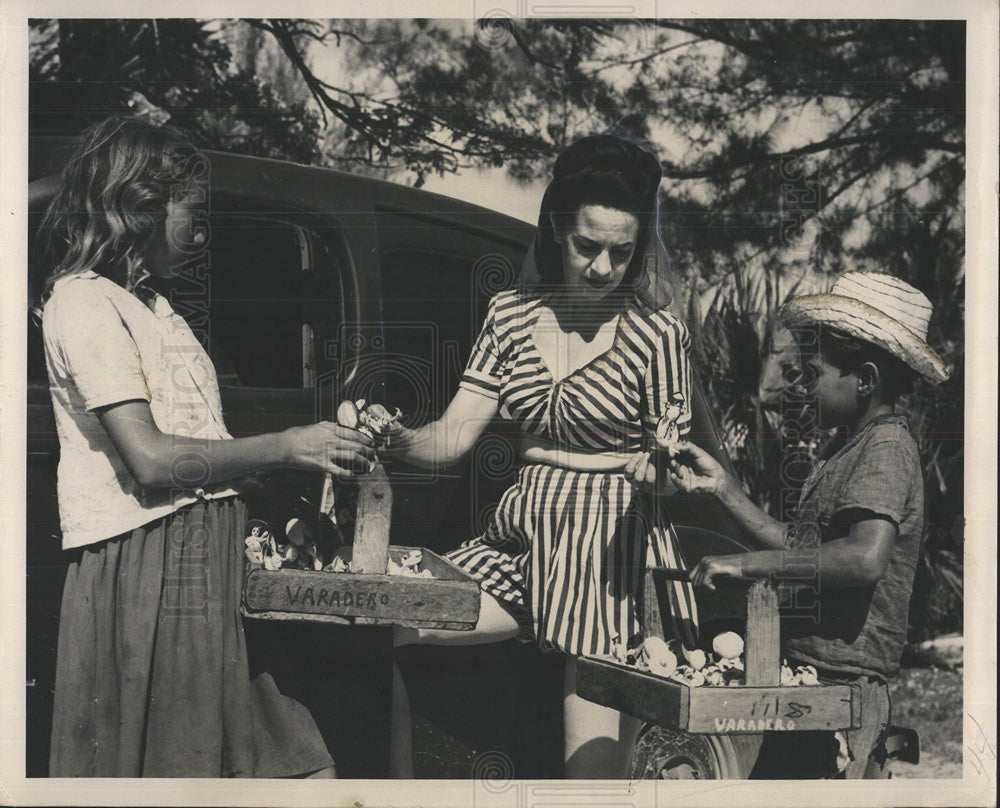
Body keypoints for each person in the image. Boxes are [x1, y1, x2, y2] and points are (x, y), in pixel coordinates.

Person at [36, 116, 375, 777]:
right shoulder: (81, 304)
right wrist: (286, 445)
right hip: (151, 572)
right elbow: (153, 460)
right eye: (194, 212)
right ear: (141, 208)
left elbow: (204, 444)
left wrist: (283, 502)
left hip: (200, 569)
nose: (201, 230)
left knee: (299, 767)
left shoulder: (156, 308)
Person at [386, 133, 699, 778]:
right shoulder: (508, 314)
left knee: (589, 775)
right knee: (388, 621)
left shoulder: (659, 335)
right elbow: (451, 436)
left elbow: (672, 465)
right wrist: (394, 438)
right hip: (521, 543)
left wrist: (659, 471)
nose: (604, 267)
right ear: (557, 229)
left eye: (622, 251)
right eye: (588, 246)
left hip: (610, 562)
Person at [644, 271, 949, 778]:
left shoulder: (888, 447)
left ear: (866, 379)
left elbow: (863, 558)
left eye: (817, 373)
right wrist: (723, 488)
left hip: (844, 694)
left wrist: (747, 565)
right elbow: (801, 547)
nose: (806, 386)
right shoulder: (846, 446)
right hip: (810, 681)